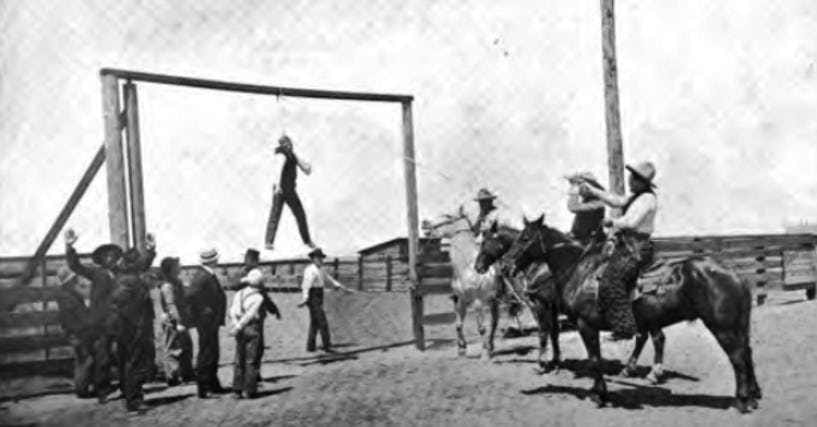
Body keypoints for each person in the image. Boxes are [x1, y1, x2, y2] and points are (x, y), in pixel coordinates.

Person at [580, 161, 658, 341]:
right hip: (628, 245)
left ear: (642, 182)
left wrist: (612, 222)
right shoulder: (636, 197)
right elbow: (616, 200)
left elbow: (631, 222)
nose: (630, 180)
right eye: (631, 176)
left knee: (611, 280)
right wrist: (593, 190)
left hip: (637, 248)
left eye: (634, 177)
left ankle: (625, 327)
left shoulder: (647, 199)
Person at [64, 229, 123, 403]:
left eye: (113, 255)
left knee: (121, 355)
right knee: (102, 357)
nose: (111, 258)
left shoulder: (120, 274)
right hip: (101, 323)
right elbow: (76, 266)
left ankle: (125, 387)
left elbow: (140, 267)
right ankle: (102, 391)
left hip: (118, 322)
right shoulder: (97, 273)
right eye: (107, 256)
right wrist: (69, 247)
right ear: (102, 259)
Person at [109, 239, 158, 413]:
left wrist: (151, 250)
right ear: (133, 263)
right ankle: (134, 401)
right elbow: (123, 306)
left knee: (128, 363)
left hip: (126, 328)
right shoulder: (131, 281)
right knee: (134, 364)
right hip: (132, 329)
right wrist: (135, 327)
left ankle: (131, 396)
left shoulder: (123, 275)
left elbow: (145, 262)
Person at [186, 248, 227, 398]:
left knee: (213, 352)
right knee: (206, 353)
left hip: (211, 321)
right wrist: (203, 309)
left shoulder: (207, 274)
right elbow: (190, 295)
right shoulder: (202, 276)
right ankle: (204, 389)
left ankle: (213, 384)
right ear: (212, 260)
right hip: (206, 321)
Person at [265, 134, 317, 251]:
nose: (288, 145)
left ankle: (307, 240)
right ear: (282, 145)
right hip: (281, 188)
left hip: (289, 189)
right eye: (285, 143)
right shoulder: (281, 154)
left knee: (299, 214)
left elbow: (305, 168)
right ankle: (268, 242)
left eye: (289, 142)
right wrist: (278, 186)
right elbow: (277, 170)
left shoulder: (292, 155)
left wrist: (308, 167)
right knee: (275, 214)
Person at [298, 248, 353, 353]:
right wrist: (305, 298)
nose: (320, 260)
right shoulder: (310, 270)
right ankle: (327, 346)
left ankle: (310, 346)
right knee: (322, 321)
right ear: (313, 259)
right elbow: (306, 285)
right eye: (318, 258)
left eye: (321, 258)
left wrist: (340, 286)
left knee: (315, 322)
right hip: (312, 295)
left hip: (319, 294)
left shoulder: (321, 269)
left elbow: (329, 279)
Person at [54, 267, 95, 399]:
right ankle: (82, 390)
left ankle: (82, 388)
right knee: (85, 360)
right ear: (69, 281)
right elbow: (79, 315)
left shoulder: (65, 294)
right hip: (77, 332)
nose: (76, 280)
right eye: (74, 279)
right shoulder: (69, 297)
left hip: (73, 331)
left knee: (81, 360)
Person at [228, 268, 267, 399]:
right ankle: (249, 389)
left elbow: (232, 310)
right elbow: (250, 315)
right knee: (251, 359)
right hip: (252, 327)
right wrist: (239, 326)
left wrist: (235, 324)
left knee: (239, 358)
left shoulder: (239, 293)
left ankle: (237, 389)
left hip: (238, 326)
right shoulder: (258, 297)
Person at [157, 257, 194, 386]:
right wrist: (177, 322)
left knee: (186, 346)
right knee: (172, 348)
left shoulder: (176, 282)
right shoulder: (167, 286)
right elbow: (170, 305)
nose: (181, 267)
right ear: (171, 268)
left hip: (180, 319)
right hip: (172, 321)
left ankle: (186, 374)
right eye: (178, 265)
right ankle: (172, 376)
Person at [565, 171, 606, 246]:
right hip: (581, 240)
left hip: (591, 242)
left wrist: (575, 186)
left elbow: (572, 207)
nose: (579, 191)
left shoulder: (598, 203)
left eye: (580, 186)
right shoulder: (589, 200)